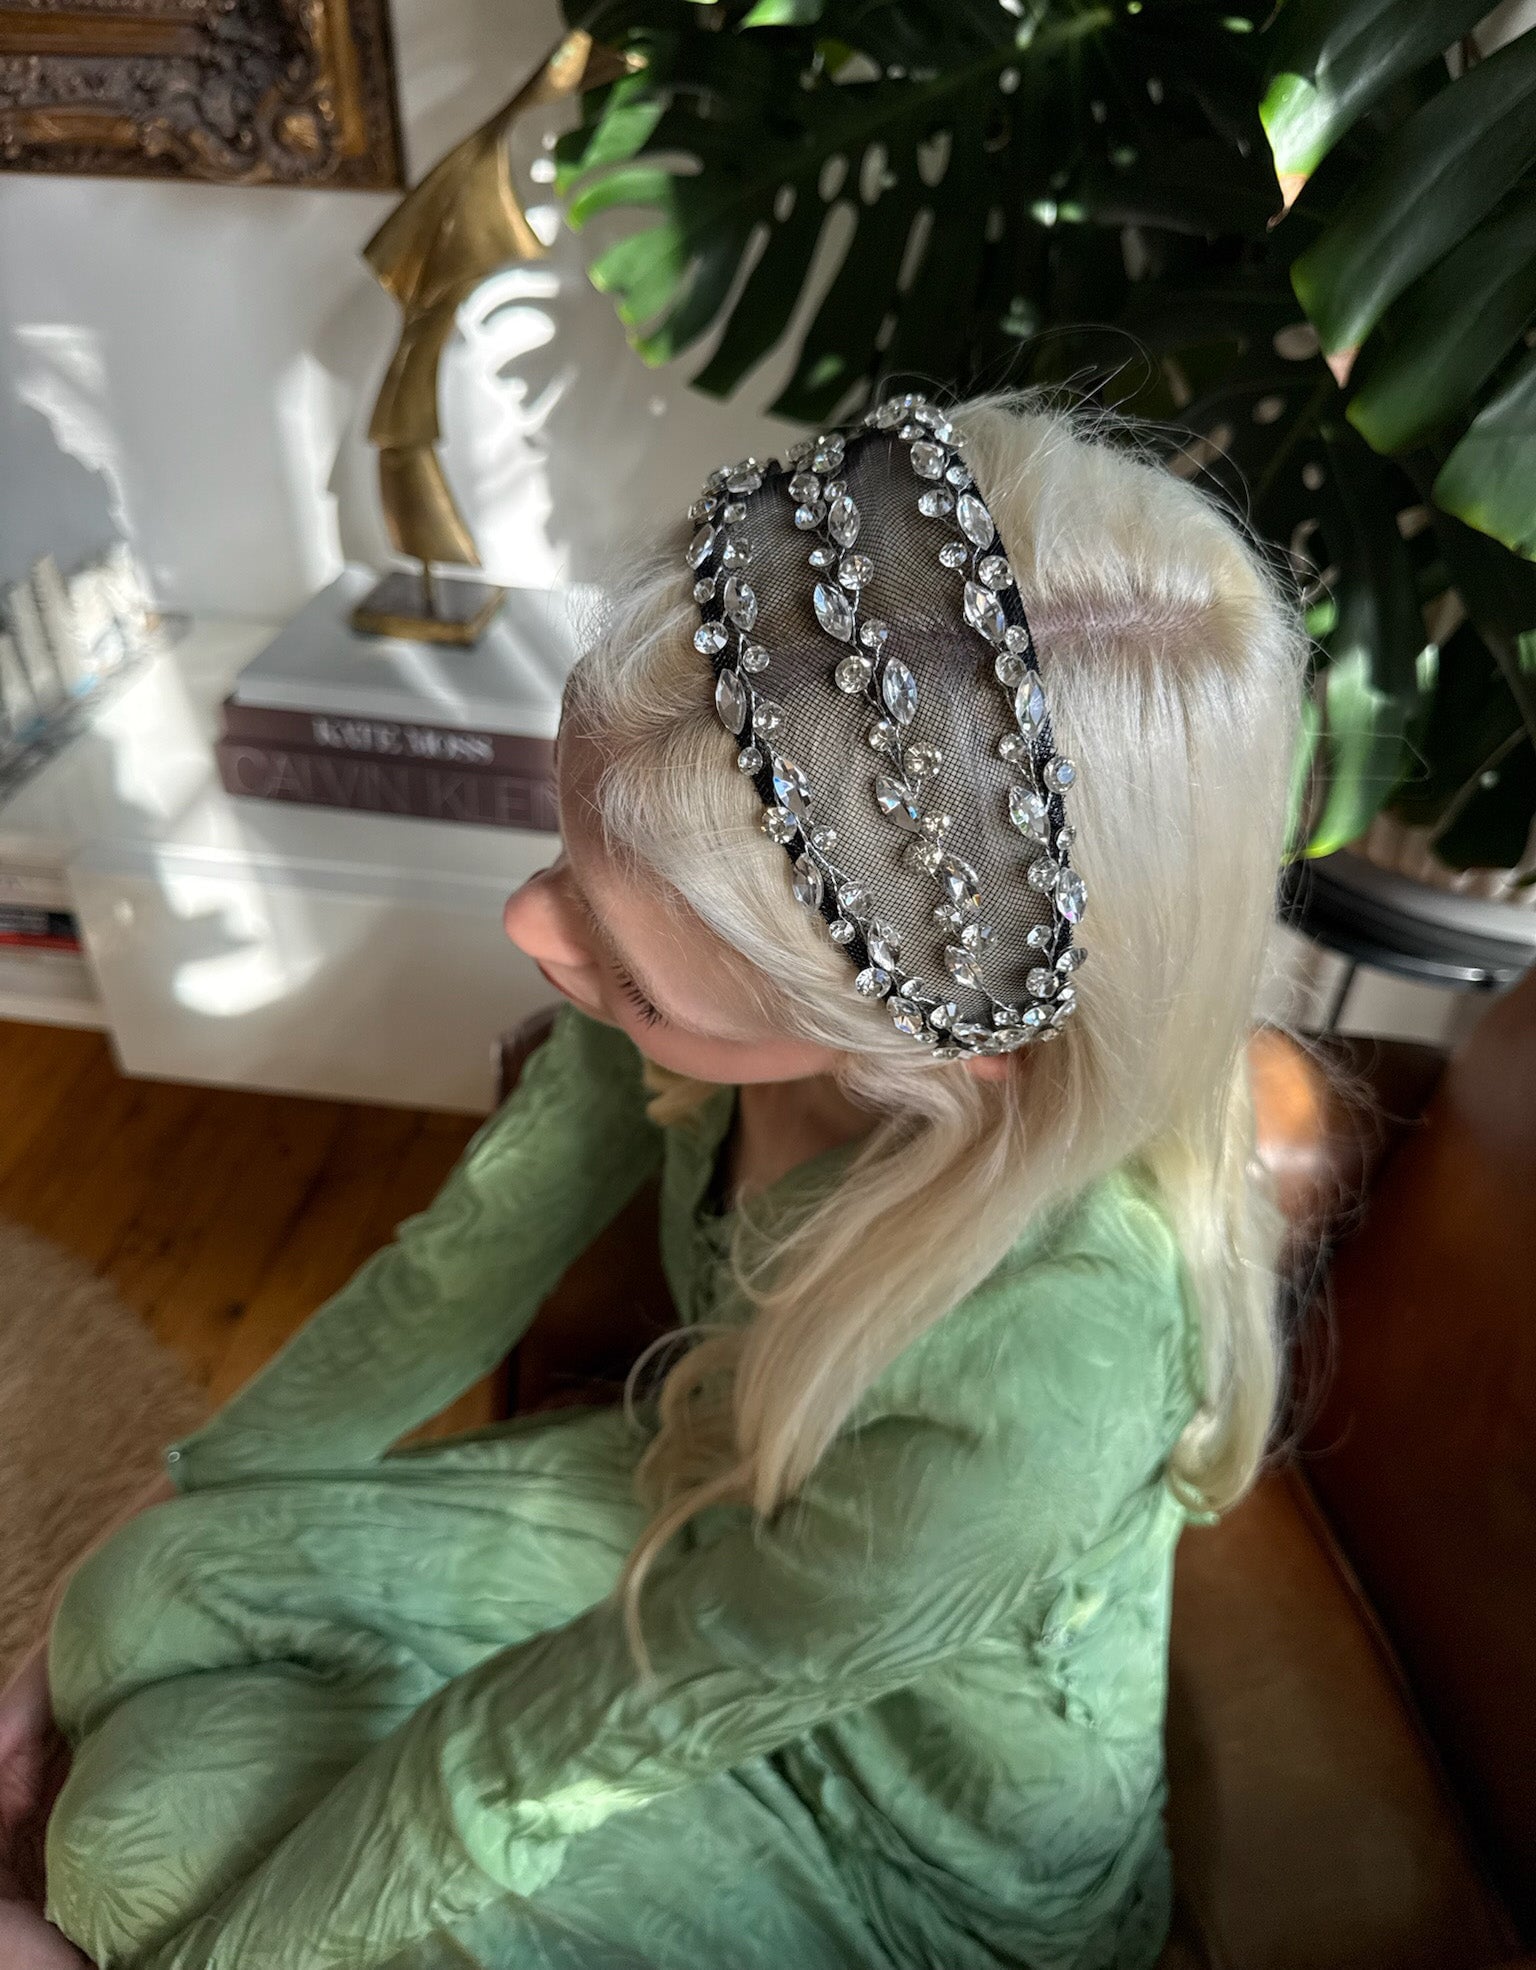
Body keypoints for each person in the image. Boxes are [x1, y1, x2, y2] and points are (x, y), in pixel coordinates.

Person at [0, 387, 1306, 1970]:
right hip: (698, 1507)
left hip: (914, 1860)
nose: (528, 930)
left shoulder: (1053, 1371)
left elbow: (521, 1757)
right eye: (569, 858)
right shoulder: (757, 955)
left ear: (932, 1053)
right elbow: (465, 1257)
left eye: (629, 972)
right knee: (125, 1603)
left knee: (133, 1844)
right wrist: (179, 1495)